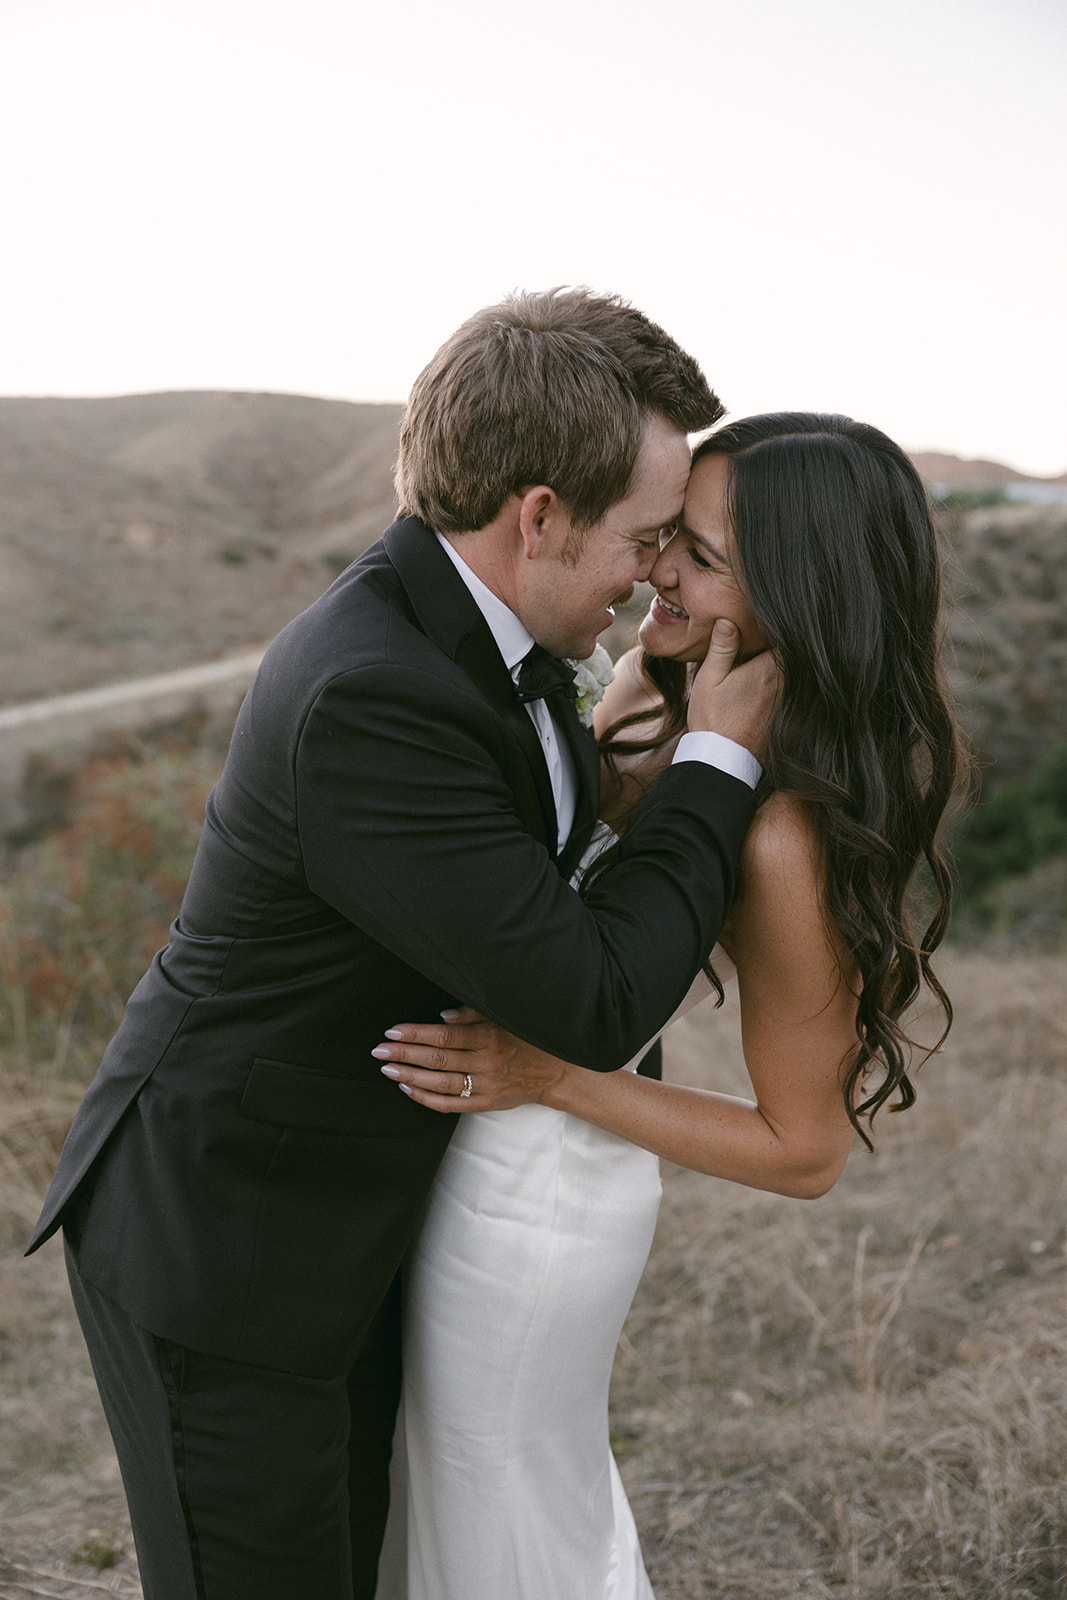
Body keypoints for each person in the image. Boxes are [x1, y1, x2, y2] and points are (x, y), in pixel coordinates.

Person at [25, 289, 780, 1600]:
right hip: (231, 1249)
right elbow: (588, 994)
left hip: (349, 1222)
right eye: (643, 538)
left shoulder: (488, 634)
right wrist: (718, 760)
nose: (656, 573)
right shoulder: (374, 692)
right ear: (535, 515)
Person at [369, 413, 965, 1599]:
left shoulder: (786, 834)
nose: (653, 569)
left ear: (794, 589)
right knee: (430, 1505)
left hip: (535, 1202)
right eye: (660, 537)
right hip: (459, 1157)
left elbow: (802, 1150)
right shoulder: (656, 687)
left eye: (694, 551)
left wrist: (552, 1079)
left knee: (501, 1516)